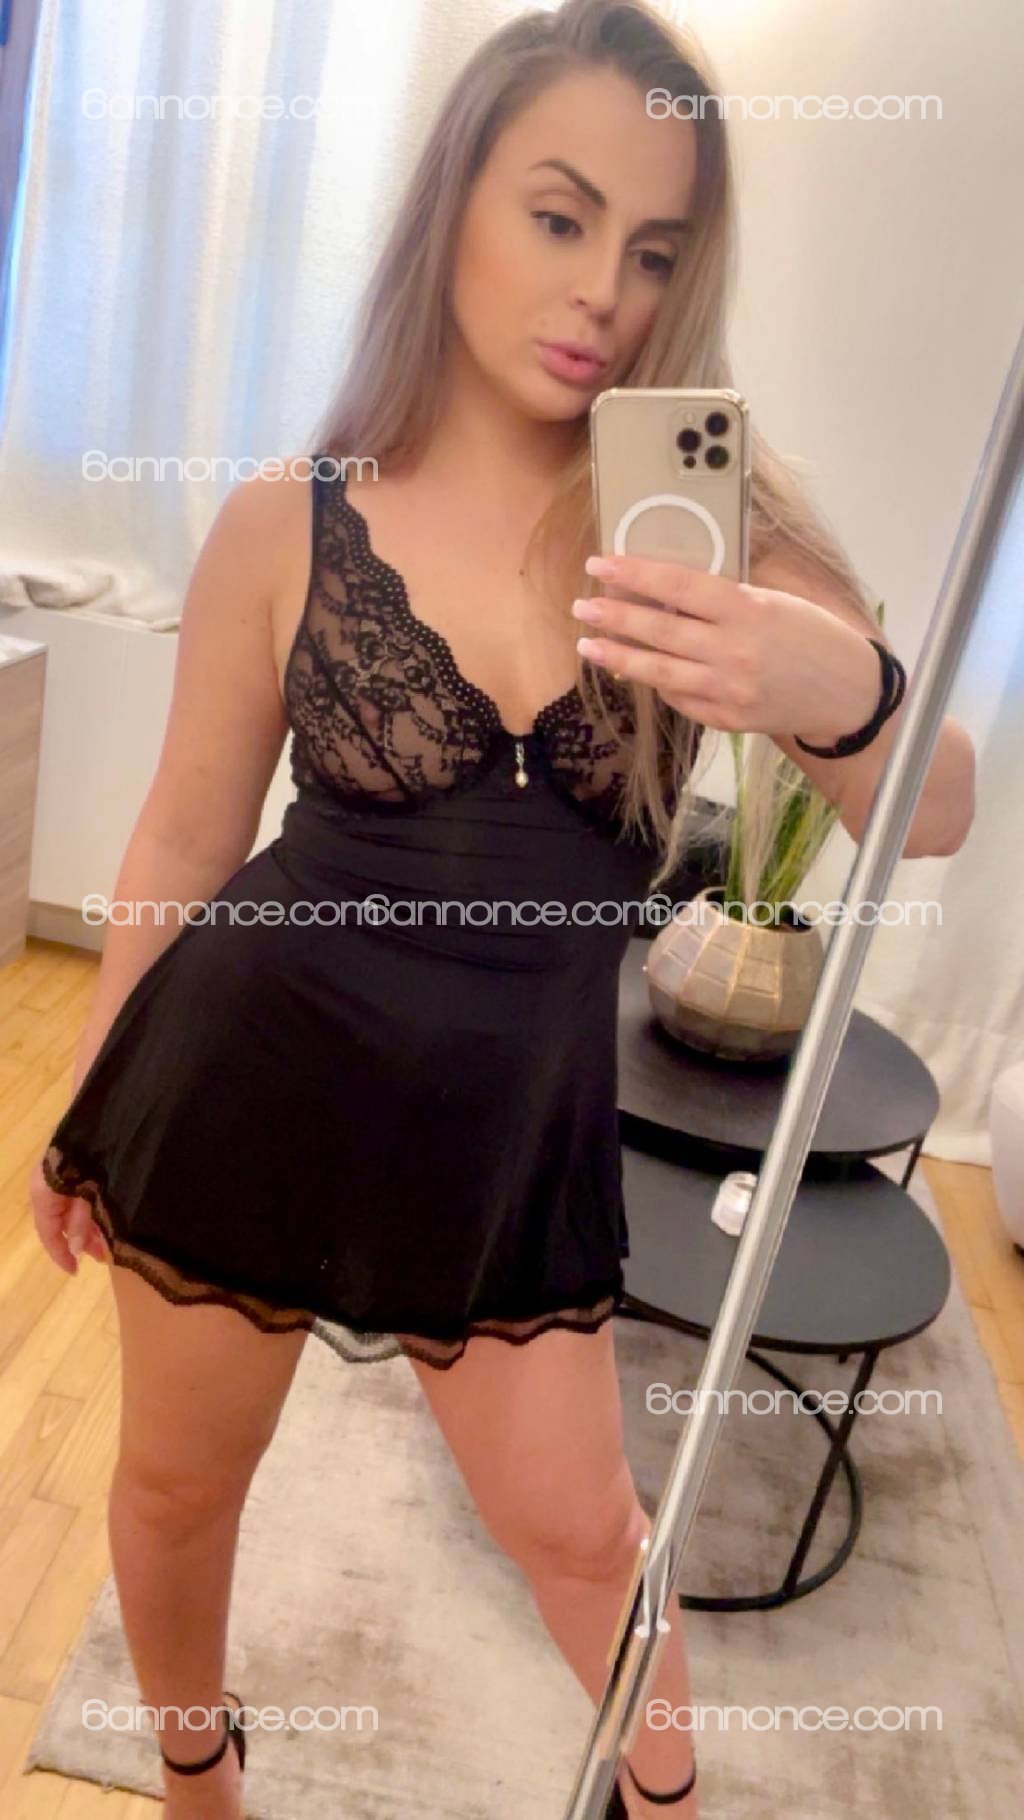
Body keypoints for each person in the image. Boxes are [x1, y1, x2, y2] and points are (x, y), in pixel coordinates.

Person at [28, 3, 973, 1816]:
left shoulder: (716, 536)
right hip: (246, 1075)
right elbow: (183, 841)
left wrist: (822, 677)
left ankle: (662, 1796)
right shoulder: (288, 521)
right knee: (174, 1489)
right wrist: (91, 1098)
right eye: (559, 215)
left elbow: (931, 810)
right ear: (455, 200)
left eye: (656, 248)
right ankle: (202, 1782)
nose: (605, 288)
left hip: (505, 1128)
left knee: (584, 1534)